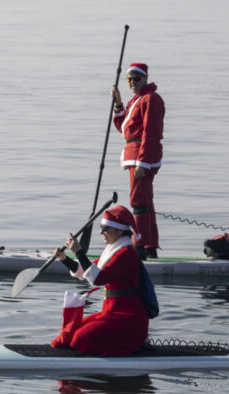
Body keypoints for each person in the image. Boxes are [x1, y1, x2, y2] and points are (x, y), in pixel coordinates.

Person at [50, 205, 150, 356]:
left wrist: (79, 252)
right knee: (70, 333)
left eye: (105, 228)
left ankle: (132, 344)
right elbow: (86, 271)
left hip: (128, 319)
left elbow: (97, 279)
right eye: (101, 227)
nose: (101, 232)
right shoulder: (112, 250)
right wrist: (64, 259)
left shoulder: (126, 254)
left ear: (119, 230)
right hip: (110, 313)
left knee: (79, 339)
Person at [111, 63, 165, 258]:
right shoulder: (137, 99)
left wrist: (143, 163)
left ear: (145, 78)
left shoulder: (151, 99)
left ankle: (139, 247)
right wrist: (118, 103)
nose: (133, 82)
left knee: (138, 201)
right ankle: (150, 246)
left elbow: (151, 133)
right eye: (129, 79)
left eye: (137, 79)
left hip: (141, 156)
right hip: (134, 154)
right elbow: (123, 128)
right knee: (145, 200)